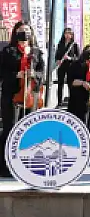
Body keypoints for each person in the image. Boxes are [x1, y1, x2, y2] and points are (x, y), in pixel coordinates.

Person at [0, 21, 45, 177]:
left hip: (30, 94)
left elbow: (42, 73)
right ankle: (6, 165)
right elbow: (2, 72)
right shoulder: (7, 51)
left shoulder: (36, 52)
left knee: (28, 129)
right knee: (11, 128)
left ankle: (26, 164)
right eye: (21, 30)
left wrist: (35, 75)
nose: (24, 33)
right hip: (12, 95)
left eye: (27, 30)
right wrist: (15, 75)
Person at [67, 45, 90, 124]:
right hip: (77, 99)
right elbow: (71, 81)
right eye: (88, 51)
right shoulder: (75, 64)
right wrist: (82, 83)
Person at [55, 28, 79, 105]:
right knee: (60, 83)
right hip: (61, 66)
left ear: (72, 35)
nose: (67, 35)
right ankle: (59, 101)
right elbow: (57, 54)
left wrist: (69, 58)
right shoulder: (60, 43)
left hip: (70, 66)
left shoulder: (74, 45)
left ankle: (71, 100)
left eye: (69, 33)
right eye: (66, 33)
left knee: (70, 83)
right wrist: (58, 60)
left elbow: (78, 58)